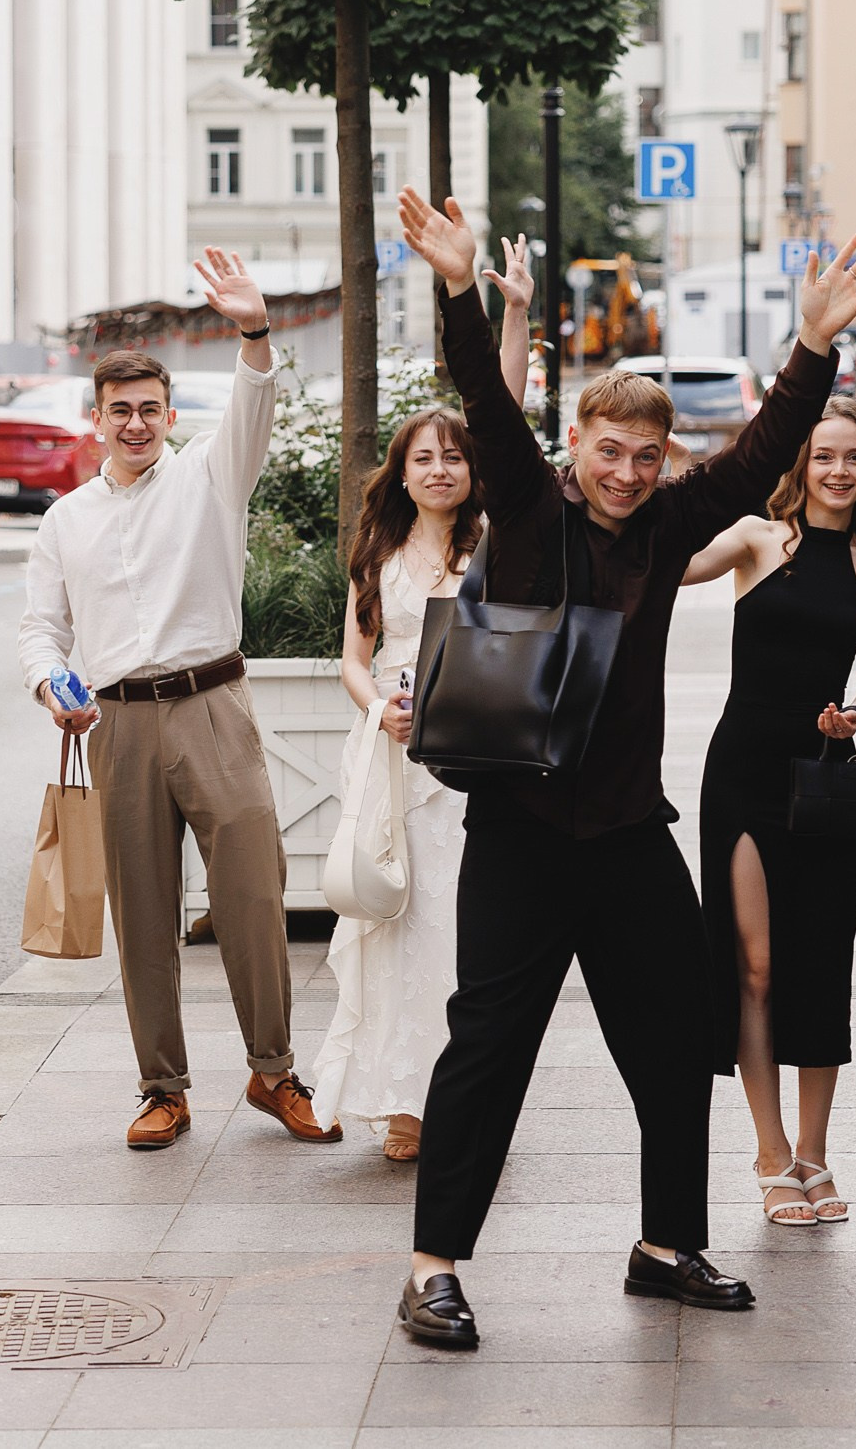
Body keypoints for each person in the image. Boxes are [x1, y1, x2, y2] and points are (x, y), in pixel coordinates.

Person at [391, 185, 856, 1352]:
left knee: (677, 1035)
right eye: (609, 452)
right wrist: (460, 289)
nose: (626, 472)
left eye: (645, 457)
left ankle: (666, 1245)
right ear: (577, 446)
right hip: (519, 827)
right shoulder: (528, 506)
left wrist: (813, 344)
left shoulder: (670, 525)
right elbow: (483, 403)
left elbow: (759, 452)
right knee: (488, 1048)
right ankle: (433, 1268)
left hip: (625, 830)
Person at [16, 247, 338, 1152]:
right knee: (144, 915)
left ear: (168, 416)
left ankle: (274, 1072)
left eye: (149, 409)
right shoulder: (66, 521)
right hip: (117, 722)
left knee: (253, 894)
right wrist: (52, 684)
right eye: (120, 410)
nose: (136, 424)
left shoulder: (209, 475)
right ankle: (162, 1088)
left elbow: (255, 402)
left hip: (213, 707)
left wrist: (254, 328)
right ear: (96, 420)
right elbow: (41, 629)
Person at [313, 240, 534, 1161]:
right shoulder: (375, 555)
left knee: (462, 928)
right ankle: (401, 1103)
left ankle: (463, 1098)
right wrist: (381, 710)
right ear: (401, 474)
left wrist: (513, 313)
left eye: (453, 457)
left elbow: (501, 414)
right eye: (424, 458)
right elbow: (353, 659)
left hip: (473, 758)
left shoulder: (493, 545)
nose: (441, 468)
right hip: (396, 756)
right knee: (399, 929)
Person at [682, 400, 856, 1227]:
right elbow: (668, 562)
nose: (839, 471)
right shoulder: (756, 539)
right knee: (756, 965)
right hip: (741, 770)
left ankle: (814, 1153)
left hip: (823, 777)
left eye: (854, 458)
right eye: (823, 457)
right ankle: (770, 1152)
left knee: (819, 963)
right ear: (800, 466)